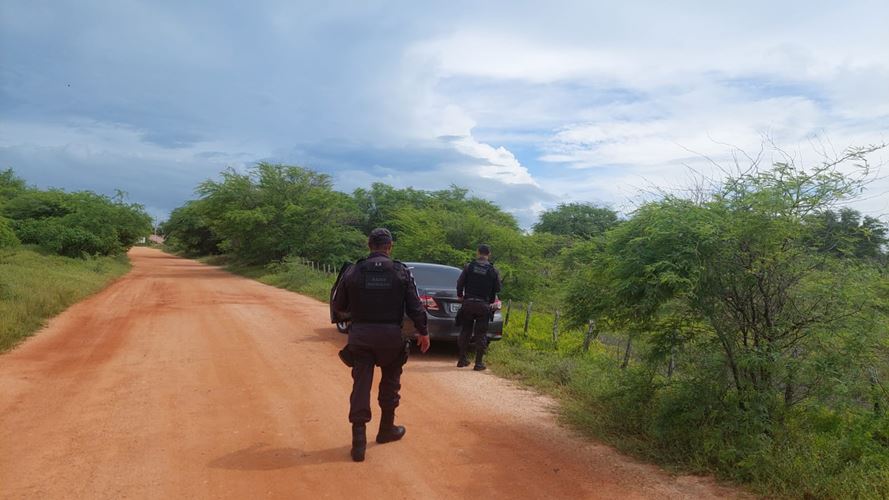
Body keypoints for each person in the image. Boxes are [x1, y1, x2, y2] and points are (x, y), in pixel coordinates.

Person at [332, 228, 431, 462]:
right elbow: (415, 306)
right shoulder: (401, 272)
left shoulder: (353, 271)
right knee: (390, 382)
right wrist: (423, 332)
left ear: (369, 245)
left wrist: (356, 314)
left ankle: (358, 443)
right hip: (390, 337)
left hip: (361, 336)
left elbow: (338, 305)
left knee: (360, 386)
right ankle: (386, 430)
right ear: (390, 246)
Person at [455, 244, 501, 371]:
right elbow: (498, 288)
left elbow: (460, 283)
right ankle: (478, 363)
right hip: (483, 305)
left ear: (477, 252)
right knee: (481, 334)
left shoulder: (469, 267)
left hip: (468, 303)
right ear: (489, 254)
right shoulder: (493, 270)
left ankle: (461, 360)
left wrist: (460, 296)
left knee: (465, 331)